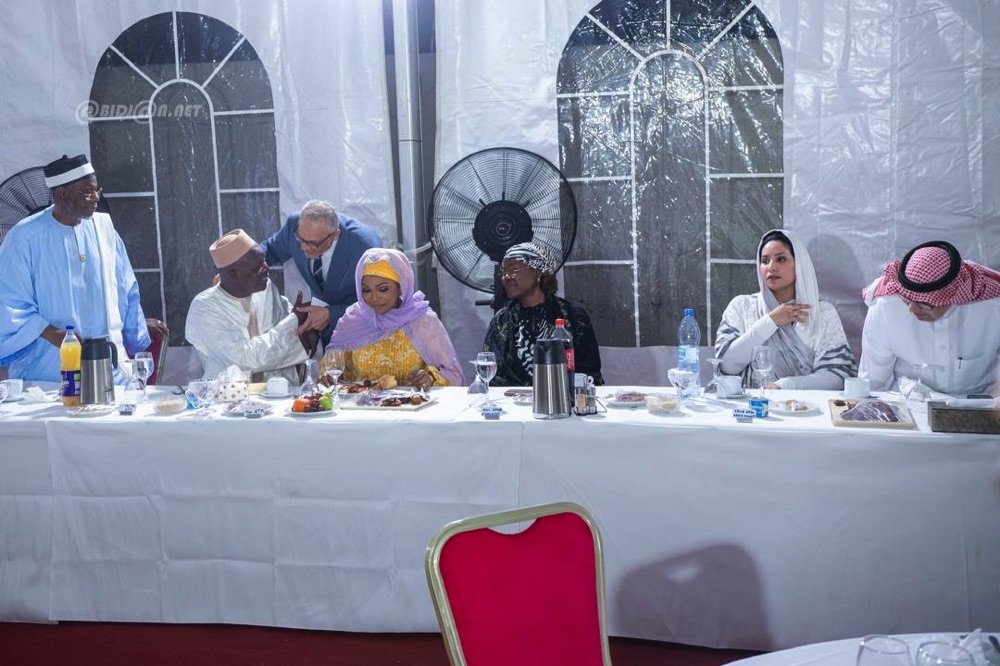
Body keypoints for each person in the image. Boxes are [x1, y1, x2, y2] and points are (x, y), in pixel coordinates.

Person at [0, 154, 167, 383]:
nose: (96, 198)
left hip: (108, 368)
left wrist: (135, 338)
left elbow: (127, 288)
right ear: (62, 194)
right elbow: (10, 302)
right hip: (47, 371)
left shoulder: (105, 230)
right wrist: (53, 334)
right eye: (87, 192)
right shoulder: (24, 238)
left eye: (97, 190)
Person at [715, 229, 855, 389]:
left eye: (781, 259)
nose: (771, 267)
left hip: (805, 404)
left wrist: (784, 386)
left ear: (799, 264)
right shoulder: (742, 306)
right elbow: (726, 365)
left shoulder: (822, 313)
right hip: (753, 403)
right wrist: (771, 321)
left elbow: (837, 376)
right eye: (765, 261)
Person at [859, 240, 1000, 396]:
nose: (911, 309)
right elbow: (873, 385)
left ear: (953, 295)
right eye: (906, 300)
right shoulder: (885, 307)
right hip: (908, 404)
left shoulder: (993, 308)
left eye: (924, 304)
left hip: (983, 403)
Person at [186, 229, 317, 383]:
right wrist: (294, 321)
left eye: (264, 261)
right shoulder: (204, 307)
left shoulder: (266, 288)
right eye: (257, 267)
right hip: (228, 392)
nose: (266, 268)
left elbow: (289, 323)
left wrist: (305, 322)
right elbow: (244, 359)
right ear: (233, 274)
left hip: (277, 390)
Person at [326, 248, 463, 388]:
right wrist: (326, 378)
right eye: (366, 290)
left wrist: (431, 378)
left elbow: (454, 375)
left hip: (414, 402)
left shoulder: (423, 321)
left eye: (383, 289)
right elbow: (331, 368)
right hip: (361, 401)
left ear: (401, 287)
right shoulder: (353, 320)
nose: (374, 297)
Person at [261, 200, 383, 347]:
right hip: (323, 338)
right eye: (300, 240)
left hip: (361, 335)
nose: (304, 248)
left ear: (335, 235)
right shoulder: (295, 226)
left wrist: (332, 315)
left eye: (313, 244)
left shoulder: (365, 248)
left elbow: (380, 304)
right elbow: (269, 251)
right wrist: (246, 263)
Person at [483, 241, 603, 387]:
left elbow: (590, 373)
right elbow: (492, 375)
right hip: (511, 400)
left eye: (513, 269)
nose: (506, 277)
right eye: (503, 271)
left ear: (538, 271)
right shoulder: (501, 321)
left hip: (563, 398)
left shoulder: (574, 316)